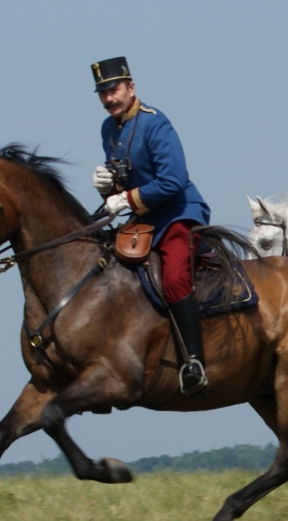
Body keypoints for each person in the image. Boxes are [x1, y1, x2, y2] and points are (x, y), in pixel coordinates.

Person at [90, 56, 210, 394]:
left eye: (113, 89)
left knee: (173, 277)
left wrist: (125, 200)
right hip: (143, 219)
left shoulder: (156, 124)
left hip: (178, 212)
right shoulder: (107, 128)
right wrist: (107, 187)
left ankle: (195, 362)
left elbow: (173, 181)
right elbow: (123, 180)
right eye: (102, 93)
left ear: (131, 87)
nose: (108, 98)